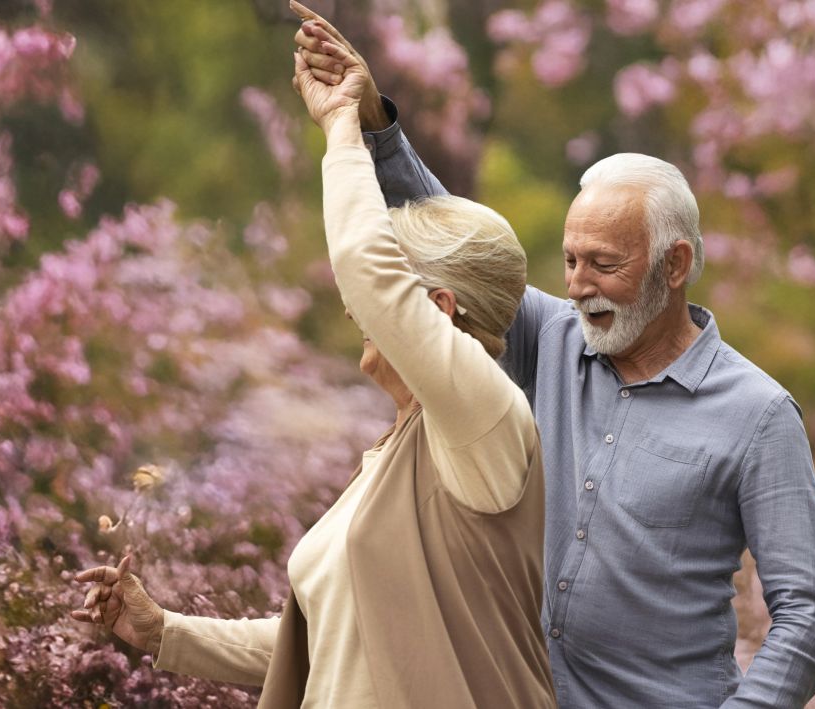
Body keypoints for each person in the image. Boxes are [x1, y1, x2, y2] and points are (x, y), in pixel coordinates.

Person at [293, 6, 815, 708]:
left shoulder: (757, 415)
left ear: (674, 265)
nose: (579, 285)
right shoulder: (555, 336)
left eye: (604, 264)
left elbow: (812, 617)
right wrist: (376, 130)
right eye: (571, 261)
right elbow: (459, 258)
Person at [70, 16, 556, 708]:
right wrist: (164, 630)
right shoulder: (395, 454)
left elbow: (364, 267)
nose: (357, 308)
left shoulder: (486, 418)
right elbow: (341, 636)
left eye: (389, 295)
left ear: (440, 311)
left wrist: (341, 129)